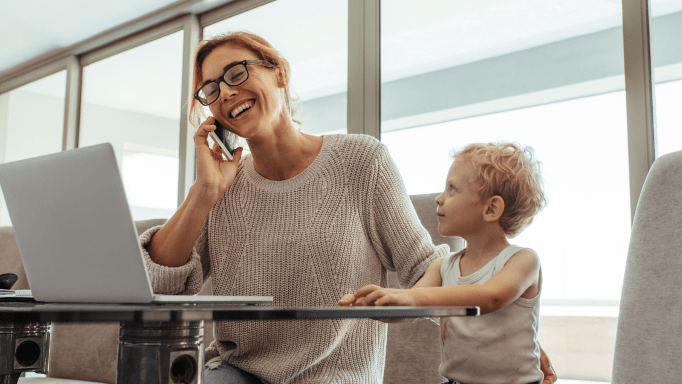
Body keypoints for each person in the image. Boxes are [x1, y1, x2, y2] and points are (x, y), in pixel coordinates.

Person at [141, 30, 556, 384]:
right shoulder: (224, 187)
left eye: (237, 72)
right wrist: (204, 190)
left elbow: (423, 272)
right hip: (238, 371)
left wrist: (512, 336)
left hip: (337, 376)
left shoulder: (362, 162)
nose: (227, 91)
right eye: (211, 89)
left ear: (278, 72)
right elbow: (159, 284)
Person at [340, 142, 552, 384]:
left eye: (452, 189)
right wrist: (375, 303)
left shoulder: (523, 260)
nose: (440, 199)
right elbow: (411, 307)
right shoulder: (442, 266)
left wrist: (409, 297)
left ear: (491, 208)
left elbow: (491, 297)